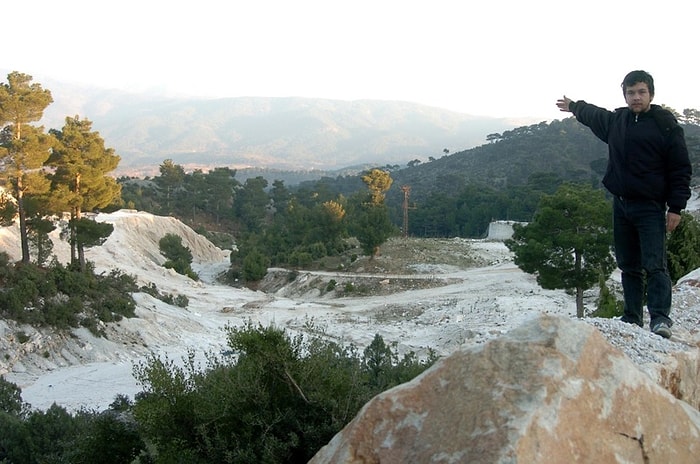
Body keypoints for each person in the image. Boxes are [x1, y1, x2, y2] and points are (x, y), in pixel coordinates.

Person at [556, 70, 692, 339]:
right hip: (621, 204)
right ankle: (631, 316)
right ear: (625, 95)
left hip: (651, 205)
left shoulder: (665, 124)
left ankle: (660, 318)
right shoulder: (618, 121)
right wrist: (574, 107)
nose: (636, 97)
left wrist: (676, 207)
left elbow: (680, 168)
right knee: (628, 264)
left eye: (641, 92)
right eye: (631, 93)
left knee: (655, 264)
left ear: (651, 93)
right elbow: (596, 116)